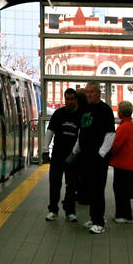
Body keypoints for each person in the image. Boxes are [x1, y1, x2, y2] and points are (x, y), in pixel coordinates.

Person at [69, 81, 115, 233]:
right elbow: (82, 132)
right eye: (87, 92)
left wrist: (101, 154)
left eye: (91, 92)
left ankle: (99, 223)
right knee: (89, 188)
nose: (88, 94)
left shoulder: (105, 110)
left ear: (98, 93)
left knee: (97, 189)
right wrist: (76, 150)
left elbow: (110, 134)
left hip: (98, 158)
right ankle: (93, 217)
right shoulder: (86, 109)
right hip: (85, 155)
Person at [43, 87, 83, 222]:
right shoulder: (58, 114)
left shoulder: (81, 115)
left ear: (76, 99)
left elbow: (81, 136)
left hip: (73, 156)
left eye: (72, 99)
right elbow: (50, 132)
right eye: (67, 99)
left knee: (71, 185)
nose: (69, 102)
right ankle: (53, 210)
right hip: (57, 155)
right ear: (65, 99)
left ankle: (70, 211)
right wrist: (45, 150)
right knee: (54, 183)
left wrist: (74, 153)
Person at [109, 100, 133, 223]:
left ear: (120, 112)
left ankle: (123, 215)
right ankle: (124, 214)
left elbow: (116, 144)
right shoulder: (130, 125)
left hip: (122, 163)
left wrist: (108, 153)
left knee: (120, 189)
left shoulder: (123, 127)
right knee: (124, 190)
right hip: (128, 163)